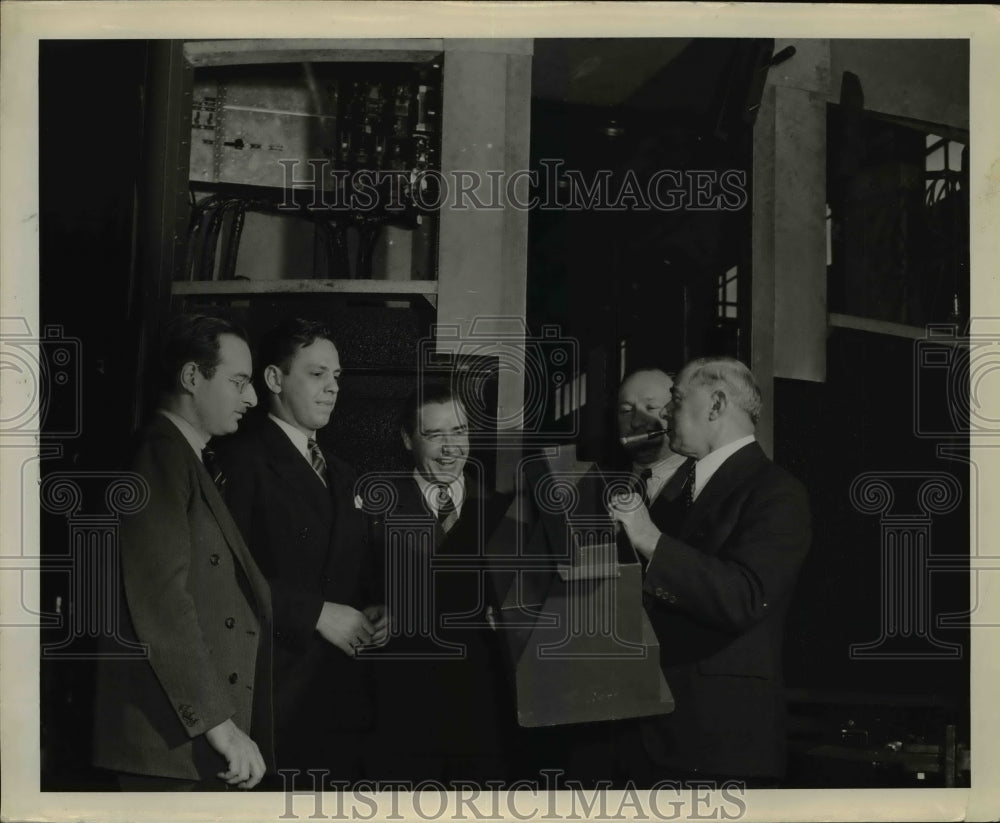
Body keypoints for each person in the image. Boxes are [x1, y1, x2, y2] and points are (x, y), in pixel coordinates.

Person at [611, 356, 811, 785]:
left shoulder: (777, 493)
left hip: (720, 746)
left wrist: (650, 540)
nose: (664, 413)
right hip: (657, 736)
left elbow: (743, 597)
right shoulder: (681, 492)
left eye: (677, 400)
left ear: (716, 405)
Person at [92, 314, 272, 791]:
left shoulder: (184, 457)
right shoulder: (160, 456)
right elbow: (160, 602)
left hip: (181, 746)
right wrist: (222, 725)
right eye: (238, 382)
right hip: (167, 746)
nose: (251, 398)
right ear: (192, 377)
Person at [217, 317, 386, 782]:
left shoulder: (345, 472)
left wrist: (380, 607)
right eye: (317, 374)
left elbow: (355, 570)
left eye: (337, 377)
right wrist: (315, 613)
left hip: (341, 696)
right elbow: (221, 576)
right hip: (272, 697)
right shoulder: (241, 460)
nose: (332, 388)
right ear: (274, 379)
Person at [364, 383, 511, 785]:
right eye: (434, 435)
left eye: (459, 432)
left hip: (484, 719)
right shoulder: (372, 507)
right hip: (401, 716)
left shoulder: (504, 512)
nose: (451, 448)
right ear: (407, 438)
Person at [617, 368, 688, 509]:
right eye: (626, 411)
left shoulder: (704, 480)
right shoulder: (597, 483)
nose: (636, 422)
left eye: (651, 408)